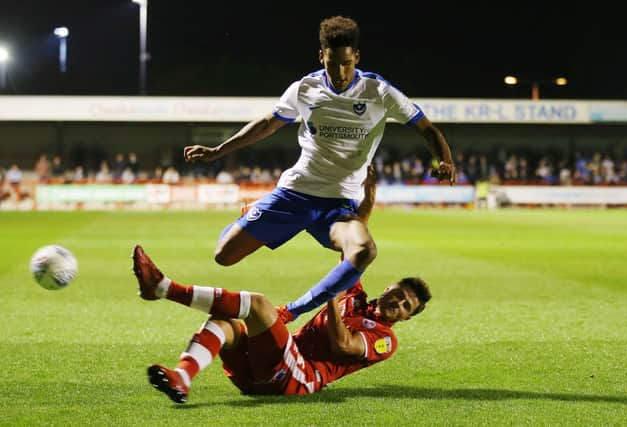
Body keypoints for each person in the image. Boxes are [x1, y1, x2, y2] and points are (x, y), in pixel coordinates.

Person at [183, 16, 454, 322]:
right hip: (295, 192)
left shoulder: (378, 91)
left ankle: (291, 311)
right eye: (333, 64)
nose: (340, 73)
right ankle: (255, 211)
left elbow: (427, 128)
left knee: (364, 251)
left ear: (357, 58)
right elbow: (268, 124)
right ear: (321, 56)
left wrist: (444, 159)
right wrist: (218, 151)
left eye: (347, 64)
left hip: (340, 205)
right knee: (224, 256)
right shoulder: (305, 89)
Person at [132, 244, 431, 402]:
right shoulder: (354, 295)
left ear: (405, 318)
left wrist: (329, 297)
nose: (399, 304)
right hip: (266, 373)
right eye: (400, 295)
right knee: (226, 322)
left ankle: (162, 288)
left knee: (258, 305)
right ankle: (182, 377)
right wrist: (364, 194)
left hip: (301, 378)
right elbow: (355, 249)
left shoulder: (385, 339)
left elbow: (343, 344)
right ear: (390, 287)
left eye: (406, 306)